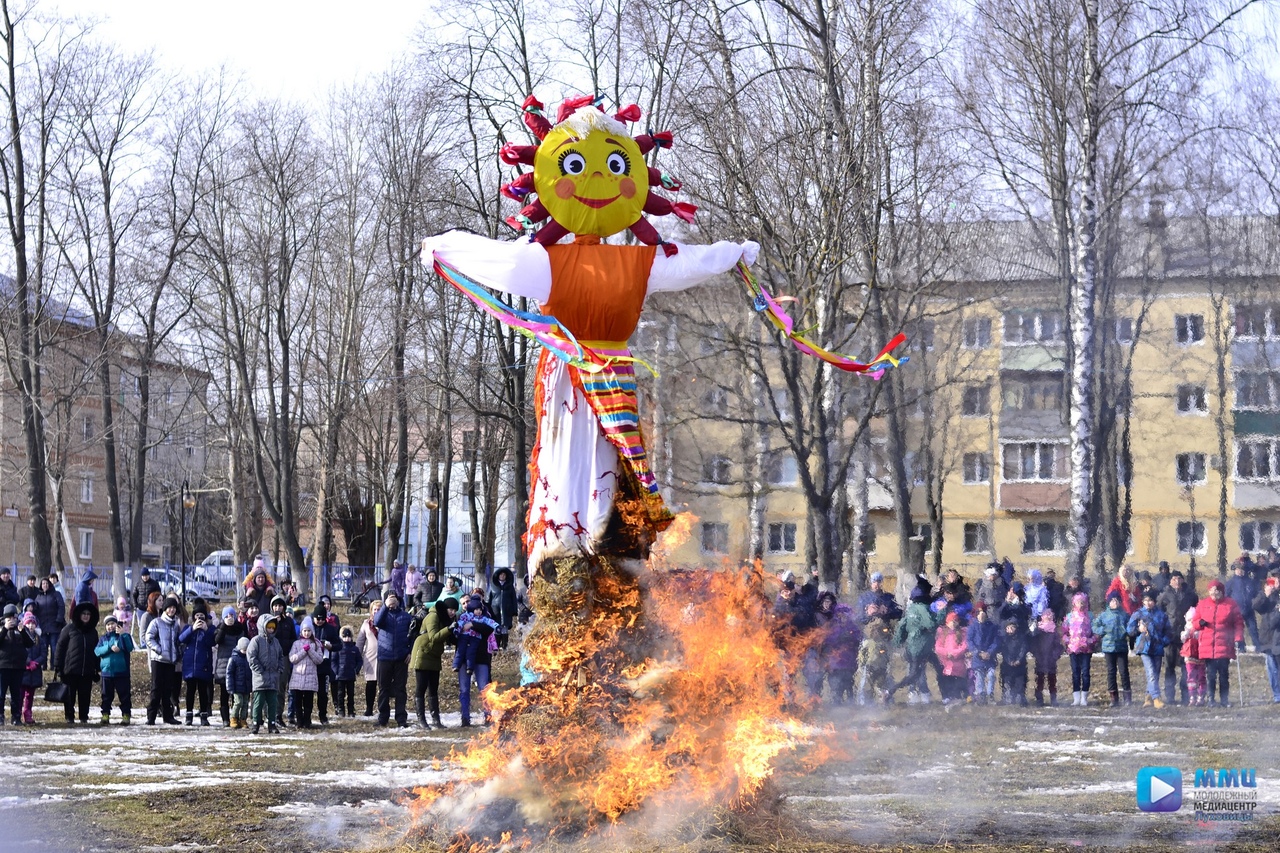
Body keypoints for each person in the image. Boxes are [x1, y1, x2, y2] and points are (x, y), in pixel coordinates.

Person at [885, 588, 939, 704]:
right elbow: (931, 624)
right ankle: (892, 691)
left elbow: (901, 627)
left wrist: (897, 643)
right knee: (916, 674)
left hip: (911, 647)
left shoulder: (910, 610)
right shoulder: (923, 609)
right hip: (922, 647)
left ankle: (917, 692)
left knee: (918, 672)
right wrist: (940, 615)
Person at [410, 597, 458, 728]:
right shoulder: (433, 616)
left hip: (434, 655)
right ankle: (421, 720)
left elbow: (450, 638)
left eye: (455, 610)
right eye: (451, 609)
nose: (453, 612)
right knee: (421, 688)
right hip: (423, 653)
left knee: (433, 689)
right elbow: (434, 637)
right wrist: (449, 628)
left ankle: (436, 720)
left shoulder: (445, 619)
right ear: (444, 608)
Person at [1195, 579, 1244, 707]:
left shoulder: (1231, 604)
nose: (1214, 593)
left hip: (1225, 645)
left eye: (1216, 591)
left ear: (1221, 591)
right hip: (1208, 645)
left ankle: (1224, 700)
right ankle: (1211, 699)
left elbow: (1238, 623)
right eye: (1211, 591)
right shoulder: (1203, 604)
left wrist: (1238, 638)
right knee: (1210, 675)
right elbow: (1195, 621)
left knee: (1223, 674)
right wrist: (1199, 623)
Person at [54, 601, 100, 724]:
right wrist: (58, 666)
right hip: (70, 670)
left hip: (87, 670)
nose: (85, 616)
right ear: (79, 615)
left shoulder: (93, 632)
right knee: (69, 696)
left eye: (88, 614)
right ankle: (69, 716)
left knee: (85, 695)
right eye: (83, 613)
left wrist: (97, 668)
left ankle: (84, 716)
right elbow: (60, 647)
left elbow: (96, 651)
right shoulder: (69, 629)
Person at [1156, 570, 1198, 705]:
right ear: (1170, 581)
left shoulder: (1190, 595)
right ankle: (1170, 696)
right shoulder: (1164, 595)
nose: (1177, 581)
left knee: (1186, 666)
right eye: (1174, 579)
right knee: (1169, 666)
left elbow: (1196, 611)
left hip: (1186, 635)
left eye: (1179, 578)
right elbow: (1159, 612)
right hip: (1170, 635)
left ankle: (1186, 695)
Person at [372, 590, 413, 727]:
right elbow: (377, 622)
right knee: (383, 689)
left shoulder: (405, 616)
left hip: (401, 657)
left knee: (400, 689)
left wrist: (410, 652)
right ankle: (383, 718)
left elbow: (412, 635)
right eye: (389, 598)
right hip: (385, 657)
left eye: (394, 598)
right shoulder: (382, 615)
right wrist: (385, 606)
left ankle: (401, 719)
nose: (392, 600)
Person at [455, 595, 497, 727]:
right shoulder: (462, 618)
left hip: (481, 657)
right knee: (464, 689)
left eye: (479, 608)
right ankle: (465, 717)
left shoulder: (486, 620)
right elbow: (456, 633)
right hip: (464, 659)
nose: (477, 611)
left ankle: (488, 715)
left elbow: (488, 630)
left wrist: (472, 625)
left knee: (484, 687)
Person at [1128, 590, 1172, 708]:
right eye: (1146, 600)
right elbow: (1129, 630)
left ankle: (1148, 697)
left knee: (1155, 674)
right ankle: (1156, 697)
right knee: (1151, 672)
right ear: (1143, 601)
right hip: (1144, 648)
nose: (1148, 603)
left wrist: (1164, 641)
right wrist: (1139, 630)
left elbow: (1168, 631)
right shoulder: (1138, 614)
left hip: (1157, 647)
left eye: (1150, 600)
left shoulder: (1161, 615)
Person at [145, 597, 183, 725]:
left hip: (170, 661)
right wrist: (159, 650)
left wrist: (178, 653)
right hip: (158, 660)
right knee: (156, 689)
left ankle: (168, 716)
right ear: (165, 609)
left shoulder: (175, 625)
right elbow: (149, 638)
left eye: (173, 608)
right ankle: (151, 716)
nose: (172, 610)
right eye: (169, 608)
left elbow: (177, 641)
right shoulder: (157, 622)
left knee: (168, 690)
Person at [1093, 591, 1132, 707]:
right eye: (1112, 600)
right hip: (1108, 647)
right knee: (1111, 672)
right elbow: (1094, 626)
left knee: (1124, 671)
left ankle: (1127, 697)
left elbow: (1131, 626)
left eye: (1116, 600)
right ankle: (1114, 698)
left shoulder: (1124, 615)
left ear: (1120, 602)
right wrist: (1102, 631)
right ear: (1108, 602)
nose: (1114, 602)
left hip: (1121, 647)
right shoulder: (1104, 615)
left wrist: (1127, 632)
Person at [179, 607, 216, 725]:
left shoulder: (210, 629)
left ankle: (204, 715)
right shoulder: (188, 628)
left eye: (202, 616)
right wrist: (192, 629)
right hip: (190, 665)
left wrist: (206, 630)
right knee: (190, 691)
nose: (199, 619)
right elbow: (181, 639)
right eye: (197, 616)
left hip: (203, 665)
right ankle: (188, 715)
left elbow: (212, 642)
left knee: (203, 691)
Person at [247, 614, 283, 734]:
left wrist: (279, 669)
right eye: (269, 627)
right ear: (263, 627)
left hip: (273, 679)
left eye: (273, 627)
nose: (271, 630)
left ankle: (272, 724)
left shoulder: (276, 642)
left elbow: (281, 657)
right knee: (258, 703)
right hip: (260, 679)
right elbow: (251, 657)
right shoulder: (256, 641)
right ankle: (256, 723)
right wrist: (259, 669)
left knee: (273, 703)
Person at [95, 614, 134, 724]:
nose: (110, 626)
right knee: (106, 696)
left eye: (112, 624)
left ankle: (126, 715)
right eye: (108, 625)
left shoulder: (124, 636)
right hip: (106, 673)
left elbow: (130, 647)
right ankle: (105, 715)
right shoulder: (103, 639)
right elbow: (97, 651)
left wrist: (123, 635)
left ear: (117, 624)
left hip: (122, 673)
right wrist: (109, 648)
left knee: (124, 696)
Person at [0, 604, 36, 725]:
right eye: (9, 618)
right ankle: (0, 717)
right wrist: (5, 629)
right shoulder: (1, 628)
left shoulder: (21, 628)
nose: (11, 621)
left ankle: (16, 717)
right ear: (4, 618)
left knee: (16, 694)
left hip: (18, 667)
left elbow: (31, 643)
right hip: (3, 666)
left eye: (13, 618)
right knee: (1, 694)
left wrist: (23, 632)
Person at [821, 598, 861, 705]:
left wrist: (850, 639)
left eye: (845, 614)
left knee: (849, 685)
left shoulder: (853, 627)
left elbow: (858, 639)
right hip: (835, 664)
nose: (843, 616)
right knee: (836, 688)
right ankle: (836, 710)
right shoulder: (832, 626)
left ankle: (851, 709)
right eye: (840, 614)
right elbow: (827, 641)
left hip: (849, 662)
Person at [287, 618, 324, 729]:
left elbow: (319, 660)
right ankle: (299, 721)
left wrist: (310, 650)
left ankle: (307, 721)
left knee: (308, 702)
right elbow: (292, 658)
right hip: (297, 678)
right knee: (298, 702)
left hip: (310, 678)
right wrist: (303, 651)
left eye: (308, 631)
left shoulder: (316, 644)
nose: (306, 633)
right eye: (304, 631)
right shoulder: (296, 644)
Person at [1062, 592, 1097, 706]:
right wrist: (1069, 642)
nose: (1080, 604)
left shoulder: (1090, 616)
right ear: (1074, 603)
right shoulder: (1069, 617)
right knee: (1075, 672)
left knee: (1085, 672)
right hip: (1073, 649)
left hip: (1086, 649)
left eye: (1082, 602)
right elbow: (1064, 632)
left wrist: (1090, 641)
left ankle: (1084, 698)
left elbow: (1095, 632)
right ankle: (1076, 697)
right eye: (1078, 602)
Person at [268, 595, 298, 726]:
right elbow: (266, 636)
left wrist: (286, 645)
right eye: (275, 606)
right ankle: (267, 715)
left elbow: (293, 638)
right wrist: (275, 622)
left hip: (284, 657)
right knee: (268, 686)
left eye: (280, 606)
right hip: (269, 658)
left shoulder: (289, 622)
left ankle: (278, 715)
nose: (277, 608)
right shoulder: (268, 620)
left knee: (281, 686)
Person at [213, 606, 245, 726]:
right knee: (224, 693)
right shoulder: (220, 629)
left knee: (236, 694)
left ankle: (235, 717)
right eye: (226, 616)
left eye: (231, 616)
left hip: (237, 664)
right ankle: (225, 719)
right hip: (223, 665)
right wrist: (223, 626)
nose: (229, 618)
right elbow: (217, 640)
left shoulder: (239, 629)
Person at [311, 602, 341, 725]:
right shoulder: (309, 627)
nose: (319, 621)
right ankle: (306, 715)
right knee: (307, 692)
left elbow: (339, 645)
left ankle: (323, 715)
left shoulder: (330, 629)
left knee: (322, 693)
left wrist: (331, 646)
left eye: (322, 619)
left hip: (324, 665)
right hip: (310, 665)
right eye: (317, 619)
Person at [859, 604, 894, 705]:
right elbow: (862, 654)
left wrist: (888, 664)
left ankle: (887, 701)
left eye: (878, 631)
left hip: (881, 666)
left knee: (882, 685)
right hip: (869, 666)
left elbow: (887, 654)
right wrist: (862, 665)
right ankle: (865, 703)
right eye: (873, 631)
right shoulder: (867, 642)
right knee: (866, 686)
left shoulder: (882, 643)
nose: (876, 633)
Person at [965, 601, 999, 704]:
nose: (982, 614)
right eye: (979, 612)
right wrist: (978, 653)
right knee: (979, 677)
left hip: (989, 657)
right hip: (977, 657)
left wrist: (989, 652)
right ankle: (981, 695)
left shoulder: (992, 626)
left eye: (983, 612)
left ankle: (990, 694)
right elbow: (969, 641)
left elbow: (996, 641)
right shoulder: (972, 627)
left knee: (991, 675)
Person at [1253, 577, 1280, 703]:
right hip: (1268, 637)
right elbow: (1255, 606)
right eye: (1274, 581)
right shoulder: (1265, 594)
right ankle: (1277, 695)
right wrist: (1266, 594)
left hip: (1278, 636)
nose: (1276, 583)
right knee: (1272, 668)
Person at [933, 611, 968, 705]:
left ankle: (959, 696)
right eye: (952, 621)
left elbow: (964, 646)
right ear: (947, 622)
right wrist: (946, 654)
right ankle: (947, 696)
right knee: (946, 680)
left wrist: (954, 654)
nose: (954, 623)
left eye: (956, 621)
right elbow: (938, 647)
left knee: (958, 681)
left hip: (958, 663)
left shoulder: (962, 632)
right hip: (945, 663)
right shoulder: (943, 633)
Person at [1225, 562, 1261, 652]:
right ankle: (1241, 648)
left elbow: (1256, 594)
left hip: (1249, 610)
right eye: (1238, 569)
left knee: (1253, 630)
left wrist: (1255, 603)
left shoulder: (1250, 581)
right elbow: (1226, 596)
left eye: (1242, 570)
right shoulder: (1231, 582)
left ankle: (1258, 647)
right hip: (1236, 611)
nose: (1240, 571)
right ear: (1235, 570)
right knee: (1239, 630)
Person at [1031, 611, 1063, 707]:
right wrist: (1037, 655)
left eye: (1050, 616)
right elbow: (1033, 644)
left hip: (1050, 660)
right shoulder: (1038, 630)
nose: (1048, 618)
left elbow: (1059, 646)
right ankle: (1039, 699)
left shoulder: (1054, 631)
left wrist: (1054, 656)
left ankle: (1053, 698)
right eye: (1046, 616)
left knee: (1052, 680)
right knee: (1039, 679)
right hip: (1040, 658)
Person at [355, 600, 382, 716]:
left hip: (383, 657)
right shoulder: (366, 624)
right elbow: (360, 642)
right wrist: (356, 656)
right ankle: (369, 708)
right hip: (370, 657)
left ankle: (382, 708)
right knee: (371, 683)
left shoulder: (386, 622)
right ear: (371, 611)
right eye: (374, 609)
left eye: (379, 609)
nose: (376, 611)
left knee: (383, 685)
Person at [33, 577, 65, 670]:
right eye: (43, 584)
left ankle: (54, 665)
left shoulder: (56, 594)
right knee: (43, 646)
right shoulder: (38, 597)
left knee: (54, 646)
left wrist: (59, 619)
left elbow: (61, 607)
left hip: (54, 625)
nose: (45, 585)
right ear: (41, 585)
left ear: (49, 585)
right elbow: (35, 609)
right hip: (42, 626)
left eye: (46, 583)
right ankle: (43, 666)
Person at [18, 612, 41, 724]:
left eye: (33, 623)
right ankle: (17, 712)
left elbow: (43, 653)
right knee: (20, 694)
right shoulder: (21, 637)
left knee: (30, 695)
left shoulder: (39, 638)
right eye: (28, 623)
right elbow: (20, 652)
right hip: (24, 671)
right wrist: (28, 662)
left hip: (34, 671)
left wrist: (36, 663)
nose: (31, 625)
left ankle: (28, 713)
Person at [999, 619, 1029, 706]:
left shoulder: (1021, 637)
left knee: (1020, 683)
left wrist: (1019, 660)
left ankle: (1021, 698)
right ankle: (1007, 697)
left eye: (1013, 627)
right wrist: (1009, 661)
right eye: (1008, 627)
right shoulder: (1004, 639)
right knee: (1007, 682)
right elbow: (1004, 651)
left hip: (1020, 665)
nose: (1011, 629)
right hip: (1007, 665)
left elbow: (1023, 649)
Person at [333, 625, 361, 717]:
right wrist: (336, 671)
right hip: (340, 675)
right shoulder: (338, 648)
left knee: (351, 694)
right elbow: (333, 660)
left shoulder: (355, 649)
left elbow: (359, 661)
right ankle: (341, 710)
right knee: (340, 694)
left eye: (349, 637)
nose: (347, 639)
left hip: (350, 675)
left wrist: (356, 670)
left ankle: (351, 710)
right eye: (345, 637)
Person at [1181, 606, 1207, 706]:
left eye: (1193, 620)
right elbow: (1183, 639)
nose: (1191, 622)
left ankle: (1201, 696)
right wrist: (1187, 632)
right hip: (1189, 656)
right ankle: (1192, 696)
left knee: (1201, 676)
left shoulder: (1201, 630)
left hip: (1201, 656)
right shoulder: (1186, 630)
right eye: (1189, 620)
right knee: (1191, 676)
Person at [488, 568, 519, 650]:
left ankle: (505, 646)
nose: (502, 576)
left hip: (506, 610)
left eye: (504, 575)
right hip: (495, 610)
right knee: (496, 628)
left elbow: (513, 599)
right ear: (498, 576)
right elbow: (489, 598)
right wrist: (488, 610)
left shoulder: (510, 586)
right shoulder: (493, 585)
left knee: (504, 629)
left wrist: (514, 610)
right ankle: (496, 647)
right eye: (501, 574)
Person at [225, 636, 253, 728]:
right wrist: (230, 687)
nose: (245, 652)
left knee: (245, 703)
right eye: (244, 650)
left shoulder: (249, 659)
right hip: (237, 687)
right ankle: (233, 718)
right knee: (238, 702)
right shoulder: (233, 659)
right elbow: (229, 674)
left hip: (246, 686)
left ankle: (243, 719)